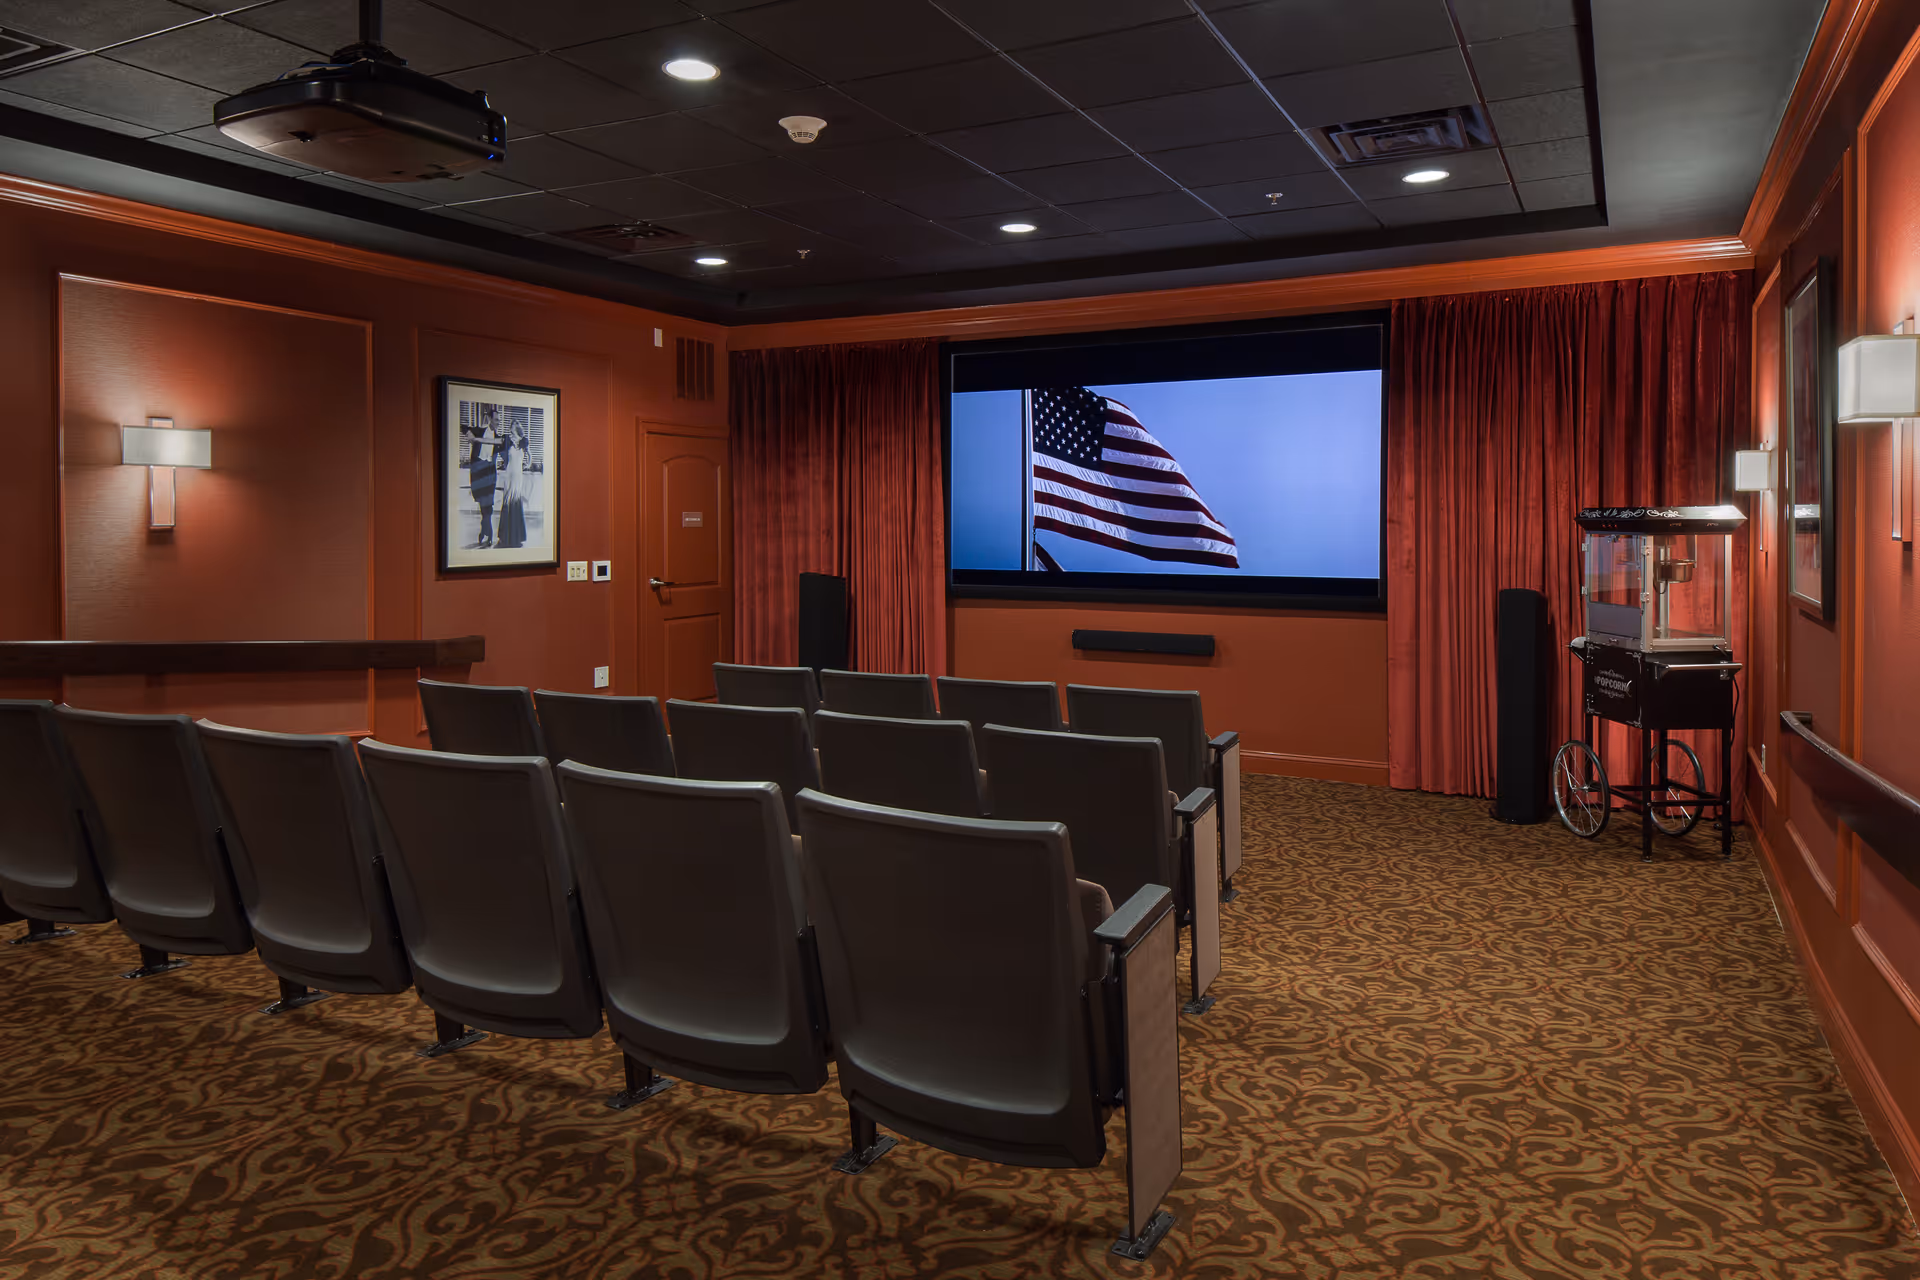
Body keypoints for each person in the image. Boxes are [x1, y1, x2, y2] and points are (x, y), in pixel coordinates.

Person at [465, 408, 499, 548]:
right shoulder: (479, 431)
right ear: (490, 419)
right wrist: (470, 436)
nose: (498, 422)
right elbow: (463, 427)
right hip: (478, 473)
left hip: (490, 474)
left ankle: (488, 534)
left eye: (498, 420)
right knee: (482, 505)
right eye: (496, 419)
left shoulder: (498, 437)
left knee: (488, 506)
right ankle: (484, 530)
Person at [495, 422, 529, 550]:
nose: (510, 430)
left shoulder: (524, 442)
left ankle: (516, 537)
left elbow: (529, 458)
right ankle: (505, 536)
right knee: (507, 503)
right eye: (510, 428)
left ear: (517, 429)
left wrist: (526, 465)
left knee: (516, 503)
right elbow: (495, 444)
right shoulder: (507, 442)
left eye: (512, 428)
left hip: (518, 477)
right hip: (509, 476)